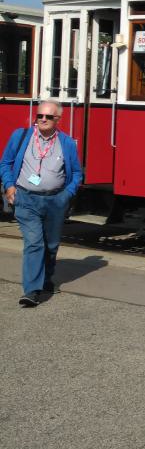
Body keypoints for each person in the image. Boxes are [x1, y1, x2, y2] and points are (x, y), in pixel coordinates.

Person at [0, 100, 84, 307]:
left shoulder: (66, 143)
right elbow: (5, 162)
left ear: (58, 119)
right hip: (26, 198)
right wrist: (9, 186)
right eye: (40, 116)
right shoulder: (20, 136)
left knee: (51, 245)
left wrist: (67, 194)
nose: (43, 120)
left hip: (55, 200)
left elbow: (76, 173)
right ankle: (31, 290)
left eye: (48, 117)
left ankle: (46, 279)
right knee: (34, 243)